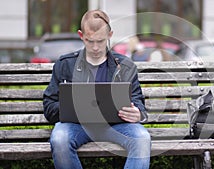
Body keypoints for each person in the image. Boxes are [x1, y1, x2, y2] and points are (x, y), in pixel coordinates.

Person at [43, 9, 151, 169]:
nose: (95, 47)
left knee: (142, 138)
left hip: (116, 125)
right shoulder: (65, 64)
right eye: (89, 41)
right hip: (76, 126)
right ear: (81, 35)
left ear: (110, 35)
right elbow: (49, 106)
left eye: (100, 41)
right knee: (59, 138)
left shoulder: (125, 66)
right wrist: (68, 108)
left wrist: (138, 113)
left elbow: (138, 102)